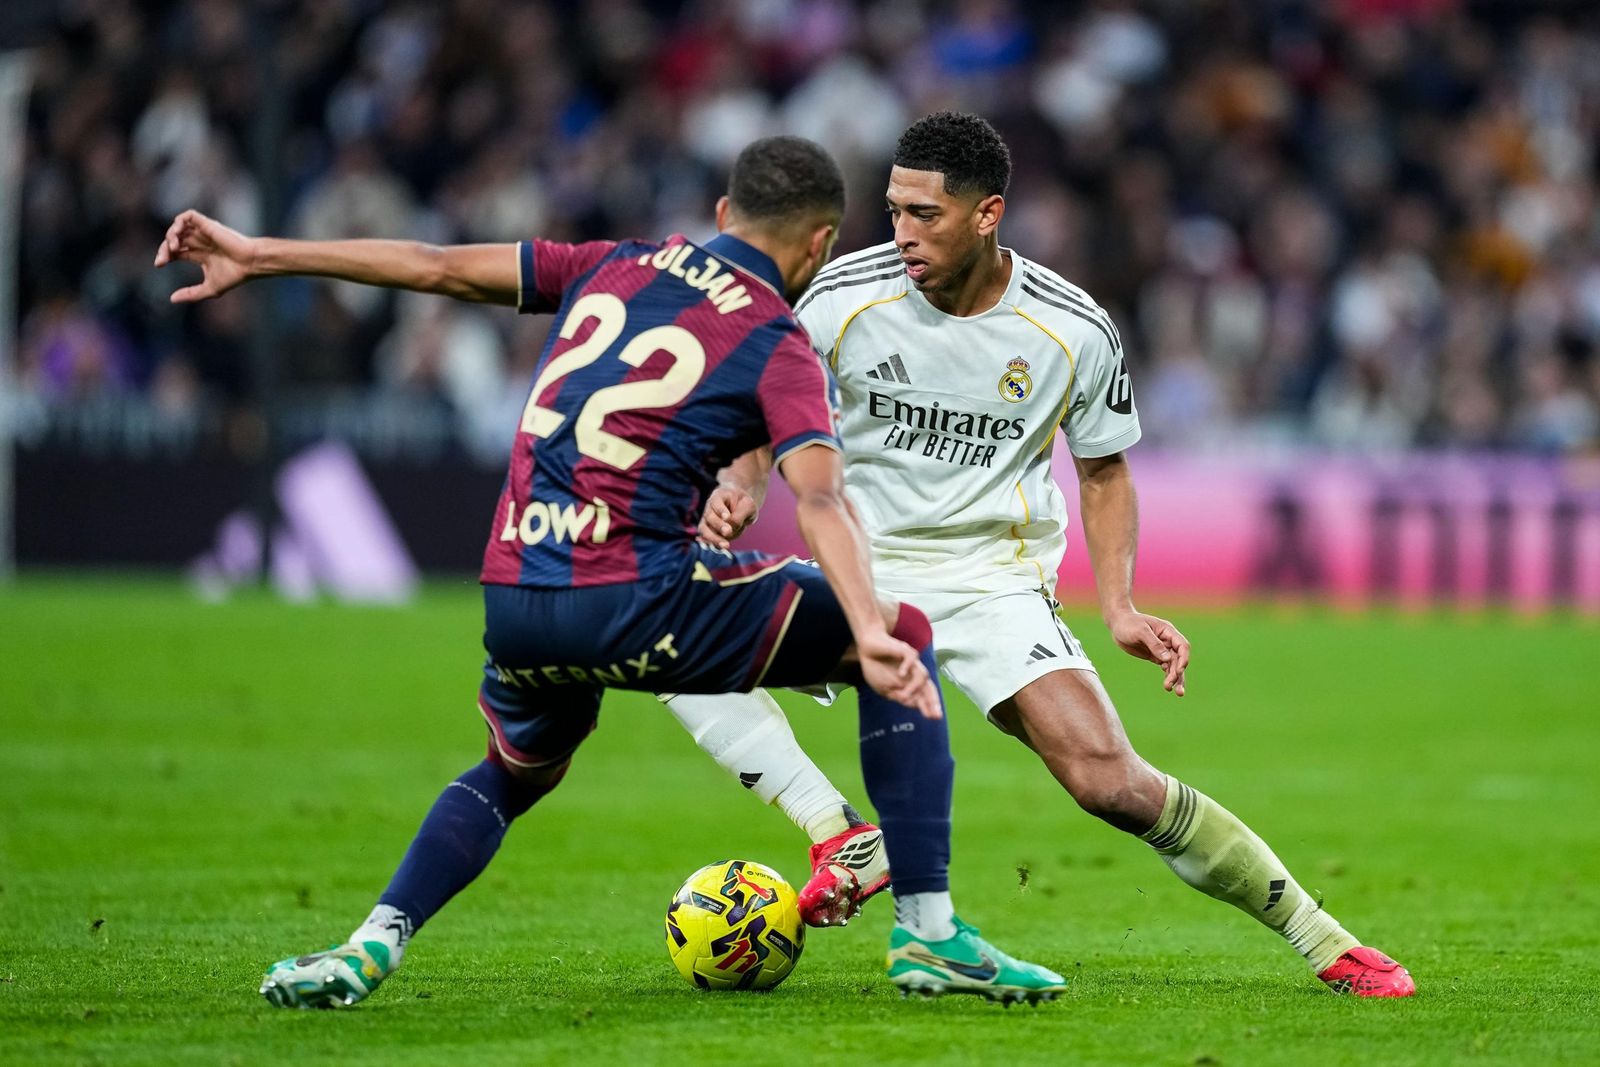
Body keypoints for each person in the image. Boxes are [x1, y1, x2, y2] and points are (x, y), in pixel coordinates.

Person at [154, 135, 1066, 1008]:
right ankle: (928, 932)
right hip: (635, 593)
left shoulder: (608, 263)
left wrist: (261, 253)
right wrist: (868, 626)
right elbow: (822, 500)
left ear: (720, 211)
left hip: (515, 592)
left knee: (513, 772)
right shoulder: (776, 335)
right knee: (902, 634)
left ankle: (369, 943)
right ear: (822, 244)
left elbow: (432, 264)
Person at [662, 113, 1416, 998]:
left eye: (926, 215)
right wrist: (745, 483)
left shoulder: (1070, 329)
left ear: (988, 214)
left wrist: (1122, 605)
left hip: (992, 582)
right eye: (895, 209)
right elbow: (767, 400)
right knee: (671, 635)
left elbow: (1102, 470)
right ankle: (837, 831)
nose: (902, 232)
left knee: (1110, 782)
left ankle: (1322, 936)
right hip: (858, 567)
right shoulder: (837, 294)